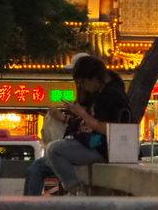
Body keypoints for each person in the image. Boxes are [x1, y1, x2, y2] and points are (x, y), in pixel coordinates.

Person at [39, 55, 130, 196]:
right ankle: (76, 189)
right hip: (98, 144)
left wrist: (81, 114)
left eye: (82, 83)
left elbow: (110, 128)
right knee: (51, 154)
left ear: (93, 79)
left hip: (104, 148)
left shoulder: (111, 96)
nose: (83, 87)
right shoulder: (101, 91)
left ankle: (76, 190)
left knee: (53, 150)